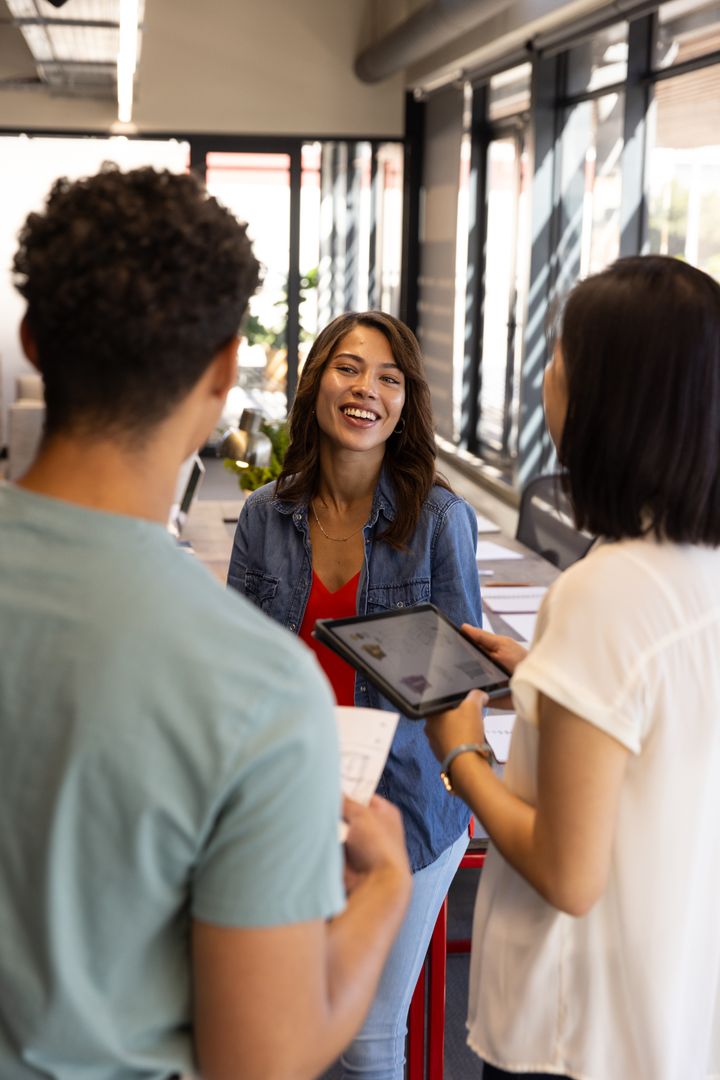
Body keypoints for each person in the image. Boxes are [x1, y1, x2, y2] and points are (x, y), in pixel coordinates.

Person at [0, 165, 412, 1080]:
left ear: (32, 341)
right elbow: (260, 1061)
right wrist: (384, 887)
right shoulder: (257, 689)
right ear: (226, 371)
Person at [424, 255, 720, 1080]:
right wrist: (543, 675)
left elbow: (567, 872)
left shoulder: (607, 593)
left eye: (559, 353)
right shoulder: (699, 570)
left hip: (575, 1034)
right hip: (670, 1016)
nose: (544, 373)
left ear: (610, 398)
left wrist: (461, 751)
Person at [227, 310, 484, 1078]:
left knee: (366, 1043)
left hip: (406, 803)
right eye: (348, 368)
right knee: (281, 1021)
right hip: (294, 798)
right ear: (315, 384)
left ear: (406, 403)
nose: (366, 388)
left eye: (389, 377)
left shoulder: (440, 519)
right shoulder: (264, 515)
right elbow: (237, 671)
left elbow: (457, 686)